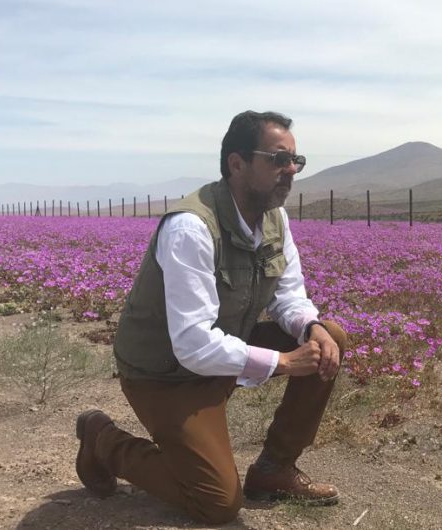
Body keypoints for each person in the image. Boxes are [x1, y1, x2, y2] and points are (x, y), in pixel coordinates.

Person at [74, 111, 346, 525]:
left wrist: (311, 327)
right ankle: (103, 440)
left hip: (220, 352)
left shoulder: (275, 218)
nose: (291, 170)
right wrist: (283, 362)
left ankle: (274, 470)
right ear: (237, 164)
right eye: (278, 159)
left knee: (329, 337)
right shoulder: (191, 227)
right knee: (216, 503)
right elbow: (192, 344)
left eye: (296, 161)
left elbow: (289, 296)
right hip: (165, 373)